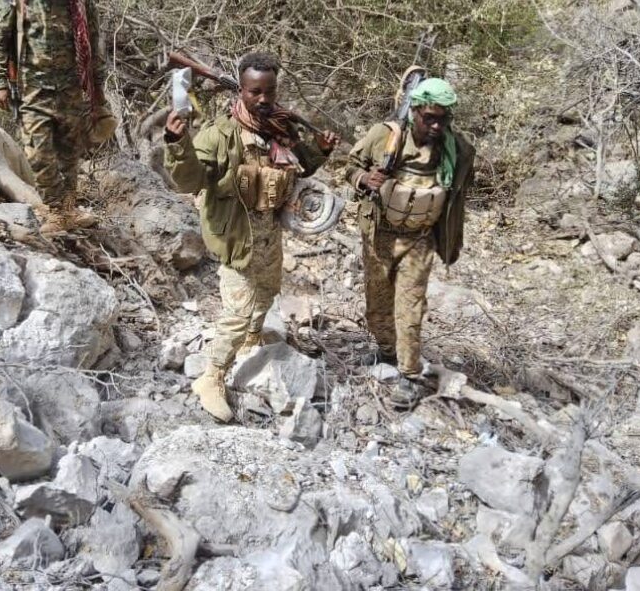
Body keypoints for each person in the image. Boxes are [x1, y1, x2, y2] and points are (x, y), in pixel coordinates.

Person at [164, 52, 340, 422]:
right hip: (236, 235)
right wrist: (178, 144)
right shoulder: (220, 135)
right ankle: (212, 377)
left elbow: (300, 165)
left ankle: (252, 340)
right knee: (238, 312)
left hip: (269, 232)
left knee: (267, 292)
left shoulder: (280, 128)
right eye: (254, 92)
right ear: (241, 91)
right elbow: (190, 180)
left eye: (269, 92)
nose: (263, 99)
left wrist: (320, 150)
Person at [345, 77, 474, 409]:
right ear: (414, 111)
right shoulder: (384, 136)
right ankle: (387, 351)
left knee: (409, 308)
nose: (436, 126)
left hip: (419, 240)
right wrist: (364, 179)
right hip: (380, 235)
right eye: (429, 118)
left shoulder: (455, 150)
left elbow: (458, 193)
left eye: (443, 119)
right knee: (377, 306)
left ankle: (409, 374)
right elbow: (351, 166)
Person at [0, 0, 116, 234]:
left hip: (71, 89)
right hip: (32, 89)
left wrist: (98, 92)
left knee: (69, 154)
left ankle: (68, 210)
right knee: (38, 155)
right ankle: (56, 210)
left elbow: (94, 43)